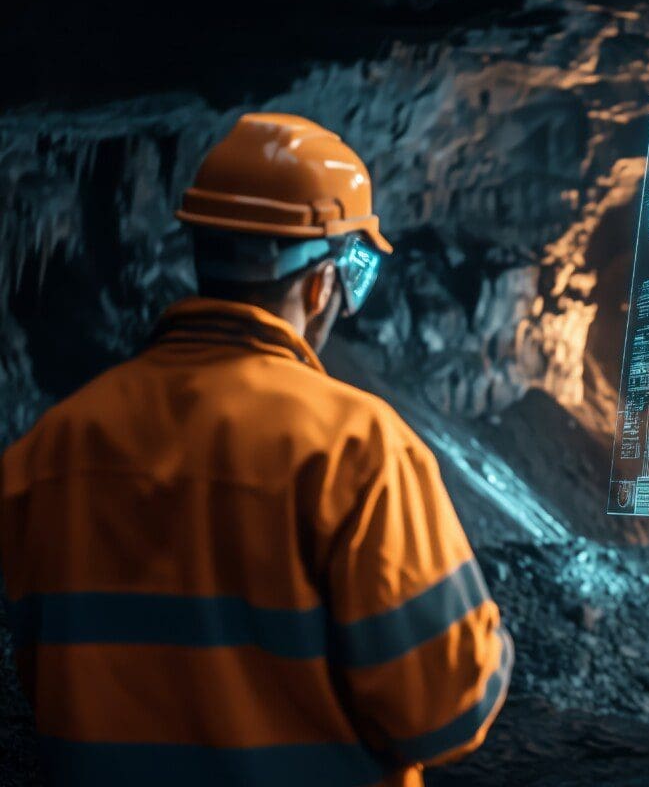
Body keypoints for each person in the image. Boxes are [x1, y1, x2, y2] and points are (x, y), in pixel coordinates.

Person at [0, 113, 511, 787]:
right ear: (321, 283)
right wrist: (492, 646)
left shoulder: (50, 448)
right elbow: (445, 712)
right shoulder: (357, 449)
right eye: (351, 277)